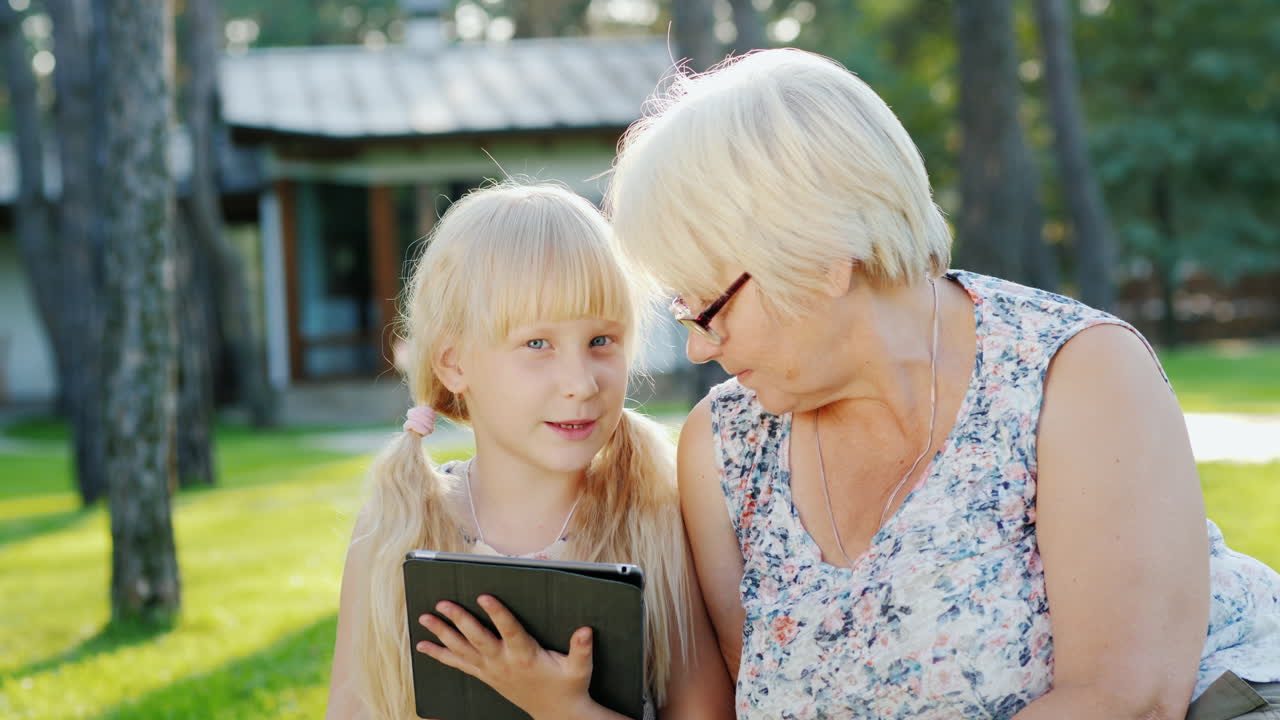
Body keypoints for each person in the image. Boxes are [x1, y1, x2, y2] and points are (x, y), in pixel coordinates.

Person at [604, 48, 1280, 720]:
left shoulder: (1074, 371)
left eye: (710, 305)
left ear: (817, 258)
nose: (699, 345)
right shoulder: (725, 445)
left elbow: (1125, 701)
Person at [324, 183, 733, 720]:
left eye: (601, 341)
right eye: (537, 344)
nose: (581, 383)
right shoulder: (395, 526)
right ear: (453, 363)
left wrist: (564, 709)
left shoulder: (656, 522)